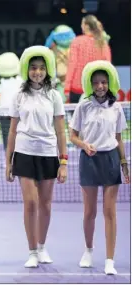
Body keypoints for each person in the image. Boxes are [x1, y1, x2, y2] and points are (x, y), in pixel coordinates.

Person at [5, 45, 68, 268]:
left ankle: (42, 247)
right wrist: (8, 162)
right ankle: (32, 251)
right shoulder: (19, 96)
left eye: (41, 68)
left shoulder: (54, 96)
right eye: (33, 68)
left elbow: (61, 131)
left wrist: (63, 162)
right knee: (30, 203)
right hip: (24, 153)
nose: (37, 72)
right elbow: (12, 130)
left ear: (47, 70)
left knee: (46, 205)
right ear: (27, 70)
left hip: (48, 153)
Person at [68, 60, 129, 275]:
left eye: (104, 82)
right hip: (89, 160)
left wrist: (124, 164)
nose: (101, 86)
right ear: (90, 85)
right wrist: (85, 145)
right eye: (96, 83)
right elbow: (72, 136)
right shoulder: (83, 105)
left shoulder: (117, 107)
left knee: (110, 212)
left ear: (110, 83)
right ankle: (88, 250)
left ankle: (110, 260)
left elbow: (119, 138)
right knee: (89, 212)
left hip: (111, 160)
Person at [64, 15, 111, 104]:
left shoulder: (77, 41)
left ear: (86, 26)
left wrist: (67, 87)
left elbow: (72, 64)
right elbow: (108, 67)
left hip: (77, 88)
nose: (81, 26)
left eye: (82, 24)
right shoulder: (103, 43)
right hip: (98, 88)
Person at [0, 52, 23, 152]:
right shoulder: (21, 79)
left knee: (7, 138)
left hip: (6, 114)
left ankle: (9, 160)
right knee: (19, 137)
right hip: (17, 113)